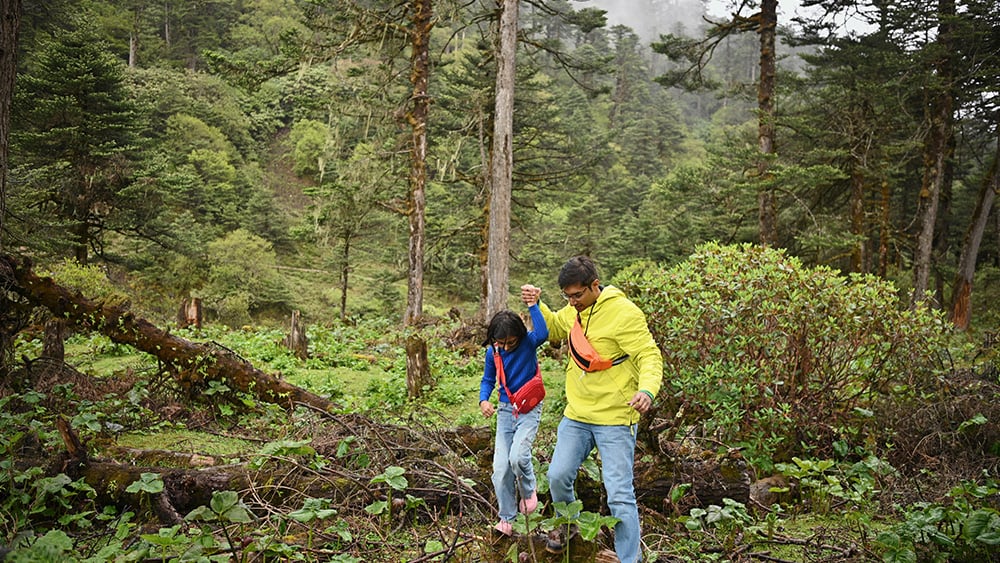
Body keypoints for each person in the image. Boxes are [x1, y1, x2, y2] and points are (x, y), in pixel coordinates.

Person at [527, 256, 662, 562]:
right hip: (577, 415)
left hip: (615, 417)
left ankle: (629, 558)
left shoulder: (624, 313)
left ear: (595, 286)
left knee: (619, 494)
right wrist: (537, 304)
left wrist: (646, 390)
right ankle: (569, 526)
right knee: (558, 475)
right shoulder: (574, 311)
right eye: (567, 296)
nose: (572, 301)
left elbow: (649, 355)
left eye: (577, 295)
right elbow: (554, 327)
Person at [479, 288, 549, 536]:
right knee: (500, 470)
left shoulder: (529, 343)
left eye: (511, 343)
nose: (506, 348)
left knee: (518, 457)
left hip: (528, 408)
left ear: (519, 336)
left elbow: (543, 332)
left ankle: (529, 491)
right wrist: (483, 400)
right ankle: (507, 518)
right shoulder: (493, 352)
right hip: (506, 411)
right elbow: (488, 380)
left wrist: (533, 305)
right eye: (501, 343)